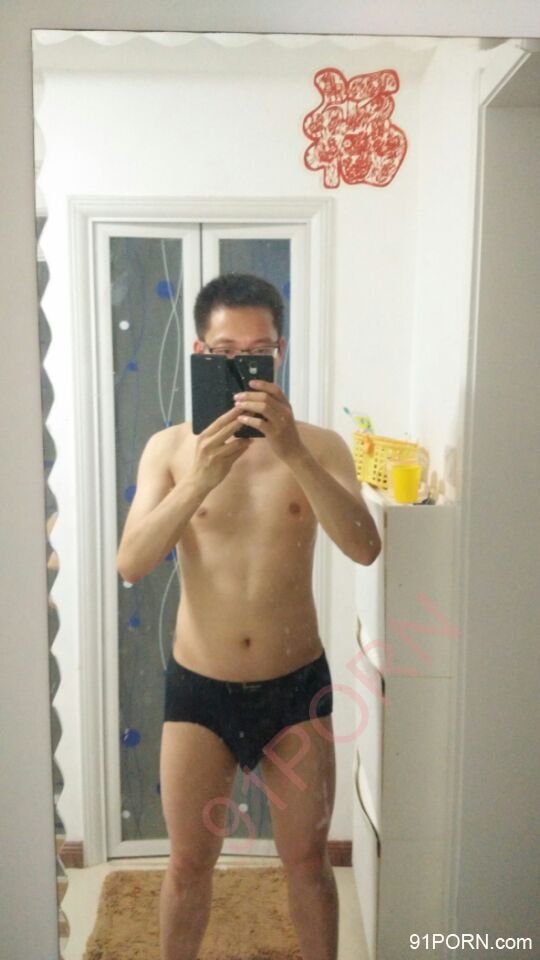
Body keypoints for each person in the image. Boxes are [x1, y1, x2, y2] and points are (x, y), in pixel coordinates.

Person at [116, 273, 382, 960]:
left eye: (258, 351)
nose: (242, 364)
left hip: (295, 690)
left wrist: (291, 450)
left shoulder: (320, 446)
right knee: (187, 865)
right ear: (200, 353)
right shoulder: (169, 449)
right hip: (198, 689)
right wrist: (202, 477)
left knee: (307, 864)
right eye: (225, 352)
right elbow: (132, 562)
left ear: (280, 353)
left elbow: (365, 546)